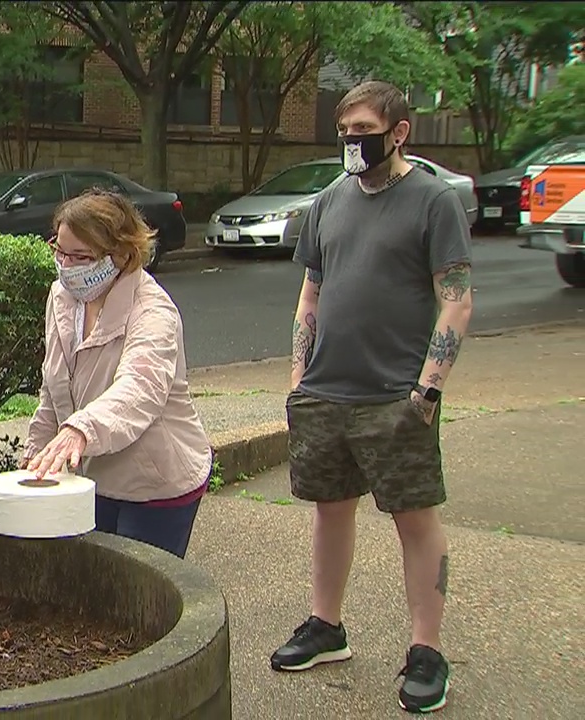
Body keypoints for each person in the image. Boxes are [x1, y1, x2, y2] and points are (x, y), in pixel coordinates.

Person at [272, 81, 473, 715]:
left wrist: (427, 390)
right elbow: (311, 293)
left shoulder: (432, 202)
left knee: (414, 520)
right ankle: (326, 627)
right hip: (325, 391)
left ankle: (426, 651)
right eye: (345, 130)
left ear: (399, 131)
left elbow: (457, 298)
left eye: (364, 127)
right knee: (330, 509)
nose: (353, 140)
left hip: (396, 396)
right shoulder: (330, 201)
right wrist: (298, 378)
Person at [22, 189, 213, 559]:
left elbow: (139, 387)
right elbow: (54, 387)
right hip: (93, 476)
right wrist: (36, 455)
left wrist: (80, 429)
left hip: (157, 484)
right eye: (59, 251)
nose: (66, 265)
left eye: (81, 256)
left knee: (139, 596)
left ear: (123, 254)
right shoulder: (62, 298)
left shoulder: (153, 312)